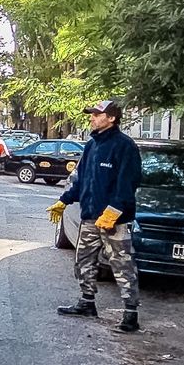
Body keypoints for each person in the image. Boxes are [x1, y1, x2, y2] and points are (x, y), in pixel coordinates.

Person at [49, 99, 143, 333]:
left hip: (114, 221)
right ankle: (87, 302)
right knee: (83, 261)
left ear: (111, 118)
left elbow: (128, 183)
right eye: (91, 114)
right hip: (90, 217)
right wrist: (65, 199)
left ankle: (131, 314)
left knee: (122, 265)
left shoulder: (125, 146)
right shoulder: (91, 145)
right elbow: (82, 179)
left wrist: (114, 211)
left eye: (97, 114)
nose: (92, 117)